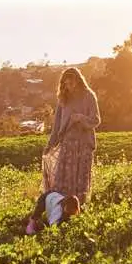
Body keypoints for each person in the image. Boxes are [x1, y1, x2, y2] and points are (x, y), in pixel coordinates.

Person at [42, 67, 101, 205]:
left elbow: (96, 120)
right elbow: (56, 126)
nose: (69, 87)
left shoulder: (89, 96)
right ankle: (61, 207)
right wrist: (50, 144)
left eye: (71, 83)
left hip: (83, 144)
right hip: (67, 144)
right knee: (64, 178)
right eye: (66, 84)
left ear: (78, 81)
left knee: (81, 178)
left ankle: (79, 209)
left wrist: (80, 118)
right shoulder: (63, 98)